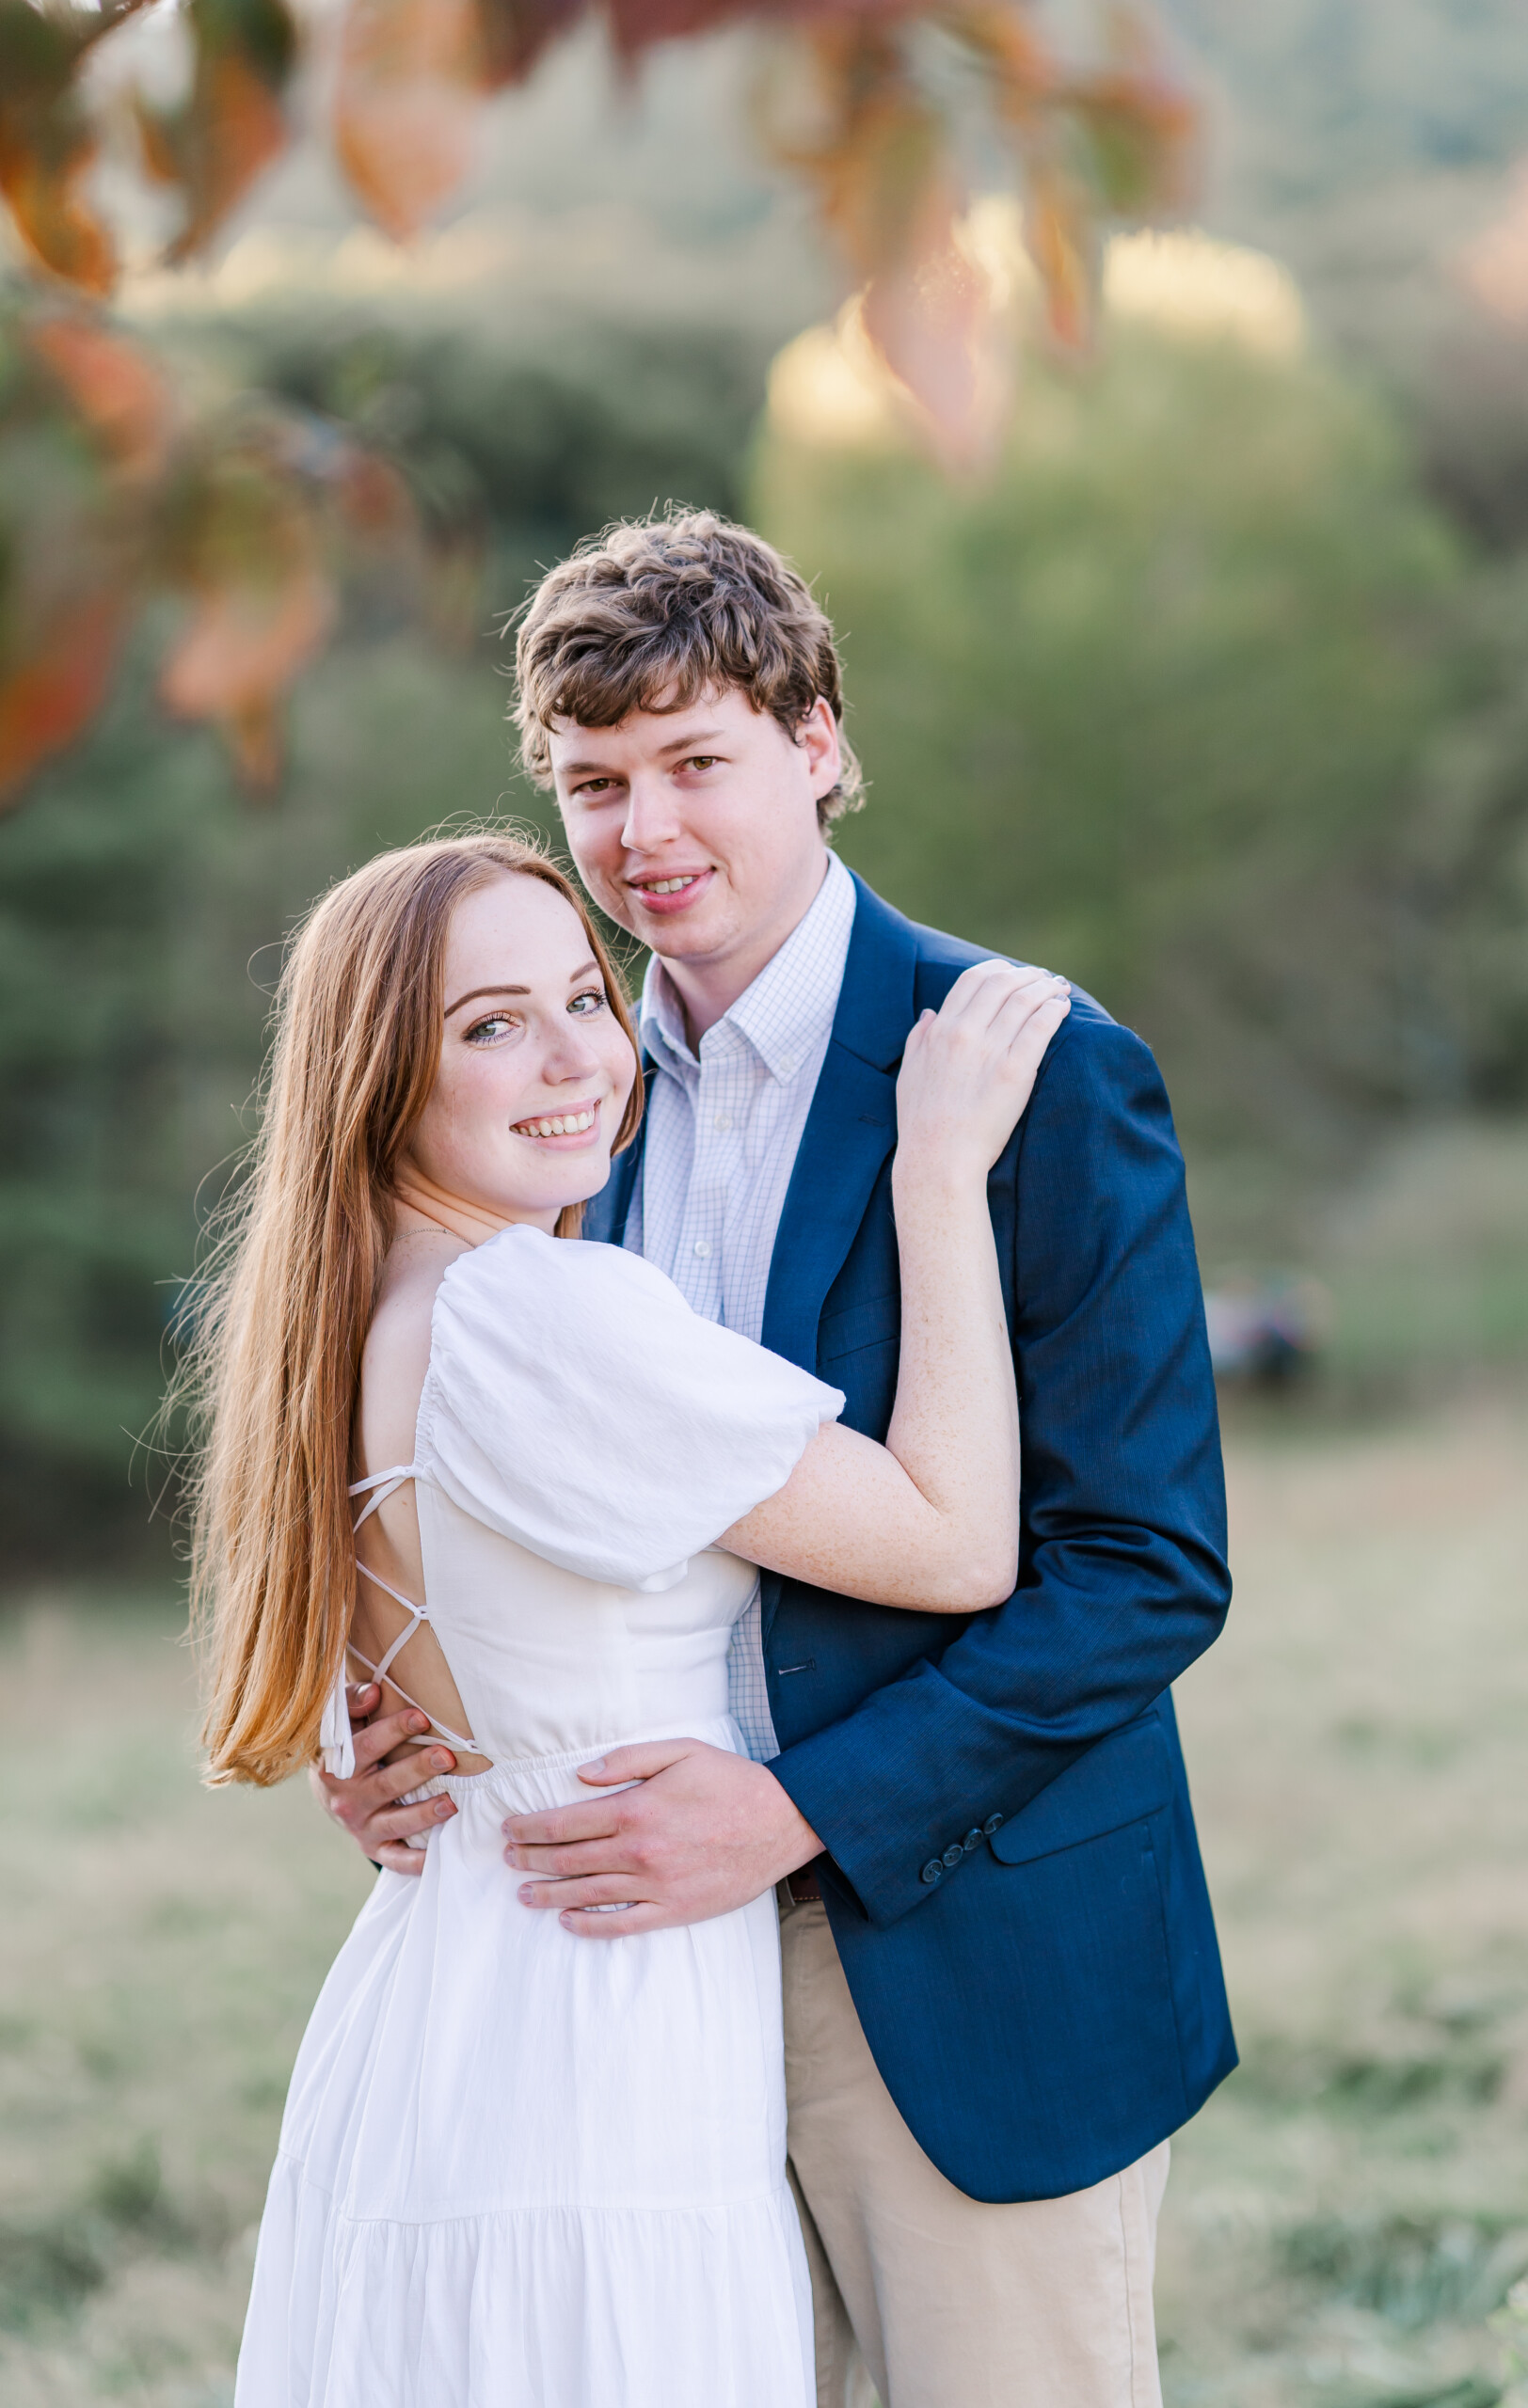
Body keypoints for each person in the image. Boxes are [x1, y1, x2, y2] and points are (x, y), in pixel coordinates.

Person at [318, 511, 1237, 2407]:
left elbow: (1142, 1562)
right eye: (592, 779)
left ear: (815, 741)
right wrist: (407, 1710)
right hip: (637, 1999)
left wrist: (798, 1804)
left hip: (959, 1949)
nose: (643, 828)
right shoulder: (555, 1097)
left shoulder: (1024, 1065)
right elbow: (516, 1469)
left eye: (694, 760)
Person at [188, 825, 1068, 2404]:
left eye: (584, 997)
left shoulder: (356, 1326)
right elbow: (951, 1543)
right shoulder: (539, 1311)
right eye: (488, 1024)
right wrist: (936, 1172)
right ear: (379, 1074)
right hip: (594, 2033)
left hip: (447, 2000)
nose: (574, 1057)